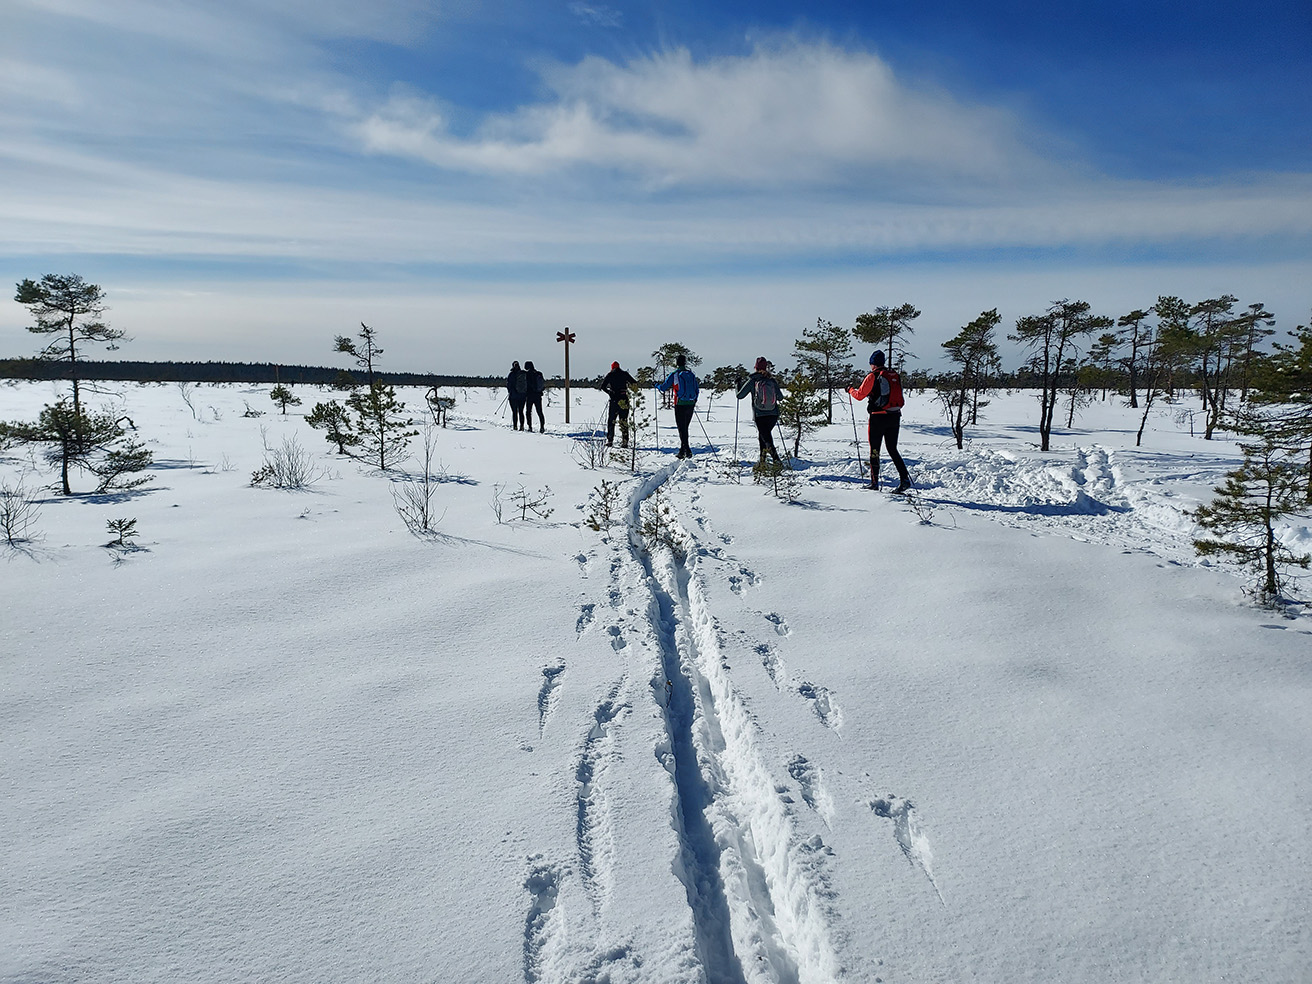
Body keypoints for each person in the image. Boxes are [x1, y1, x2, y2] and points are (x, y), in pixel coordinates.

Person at [848, 349, 911, 492]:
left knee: (875, 450)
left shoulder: (873, 376)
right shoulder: (893, 375)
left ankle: (874, 483)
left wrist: (850, 390)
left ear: (872, 364)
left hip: (878, 417)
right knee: (892, 449)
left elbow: (859, 395)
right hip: (894, 416)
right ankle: (904, 479)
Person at [736, 357, 783, 470]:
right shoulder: (771, 380)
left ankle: (777, 461)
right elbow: (780, 397)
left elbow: (739, 396)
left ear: (755, 367)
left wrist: (737, 385)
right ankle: (762, 461)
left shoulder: (753, 380)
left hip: (760, 414)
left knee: (766, 439)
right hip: (773, 414)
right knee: (763, 437)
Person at [655, 354, 700, 458]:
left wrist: (656, 385)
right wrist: (694, 400)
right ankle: (683, 450)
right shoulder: (691, 374)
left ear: (677, 363)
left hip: (680, 403)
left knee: (681, 428)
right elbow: (697, 389)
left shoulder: (675, 374)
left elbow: (663, 387)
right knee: (685, 427)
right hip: (690, 403)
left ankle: (686, 450)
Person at [600, 360, 637, 448]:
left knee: (611, 421)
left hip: (614, 400)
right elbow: (634, 384)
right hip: (624, 399)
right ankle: (625, 441)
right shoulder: (624, 374)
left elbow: (603, 386)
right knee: (623, 421)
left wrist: (610, 392)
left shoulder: (610, 374)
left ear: (612, 367)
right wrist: (628, 387)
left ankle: (610, 440)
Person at [524, 360, 546, 432]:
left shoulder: (526, 374)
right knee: (539, 411)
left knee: (528, 412)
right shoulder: (538, 373)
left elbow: (526, 385)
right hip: (538, 395)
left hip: (530, 395)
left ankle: (530, 427)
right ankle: (542, 427)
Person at [506, 361, 528, 431]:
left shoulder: (511, 374)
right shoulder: (523, 373)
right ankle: (522, 426)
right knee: (521, 411)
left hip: (513, 396)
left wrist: (510, 391)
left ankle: (515, 426)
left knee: (515, 412)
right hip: (522, 396)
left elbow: (509, 385)